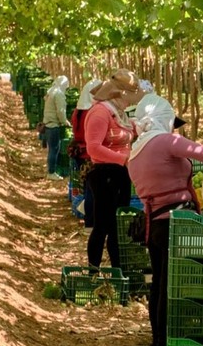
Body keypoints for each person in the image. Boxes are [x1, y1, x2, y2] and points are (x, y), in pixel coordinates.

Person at [126, 94, 203, 346]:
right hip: (177, 223)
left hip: (155, 224)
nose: (174, 128)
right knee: (173, 286)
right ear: (164, 119)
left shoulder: (135, 151)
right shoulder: (165, 141)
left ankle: (159, 342)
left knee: (160, 284)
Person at [83, 69, 144, 270]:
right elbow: (93, 147)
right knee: (102, 226)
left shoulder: (119, 112)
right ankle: (93, 270)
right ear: (121, 93)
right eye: (132, 93)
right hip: (104, 175)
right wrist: (123, 159)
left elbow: (125, 133)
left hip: (120, 174)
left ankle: (118, 273)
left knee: (117, 227)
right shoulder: (100, 112)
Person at [69, 78, 103, 216]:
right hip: (89, 154)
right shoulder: (92, 112)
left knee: (88, 187)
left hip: (80, 152)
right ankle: (90, 221)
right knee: (92, 190)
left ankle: (89, 220)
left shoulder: (78, 111)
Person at [41, 75, 70, 180]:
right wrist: (64, 121)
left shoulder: (51, 91)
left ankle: (51, 170)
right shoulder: (58, 94)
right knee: (54, 149)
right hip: (53, 125)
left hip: (48, 123)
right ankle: (51, 172)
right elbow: (60, 111)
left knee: (51, 149)